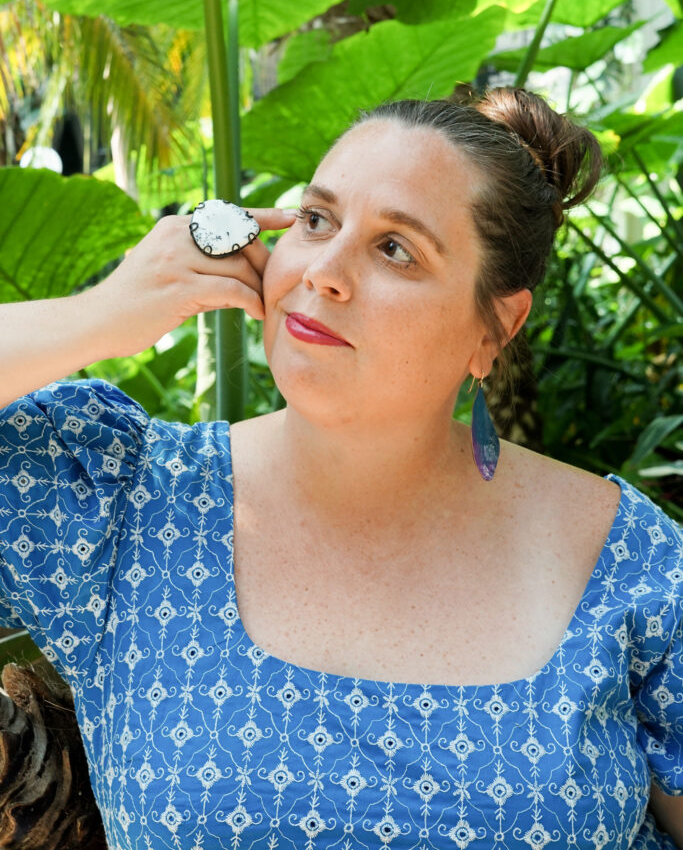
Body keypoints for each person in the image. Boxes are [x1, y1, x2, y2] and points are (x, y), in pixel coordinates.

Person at [0, 88, 681, 850]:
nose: (323, 271)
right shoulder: (119, 501)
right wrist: (101, 315)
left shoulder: (631, 564)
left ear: (497, 323)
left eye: (396, 249)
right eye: (316, 220)